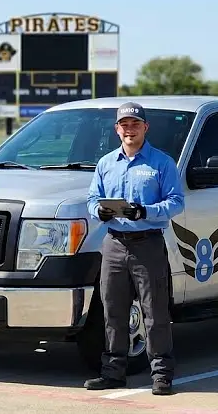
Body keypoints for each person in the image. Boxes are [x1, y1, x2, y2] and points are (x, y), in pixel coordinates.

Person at [83, 101, 185, 396]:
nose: (130, 130)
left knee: (155, 313)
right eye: (124, 125)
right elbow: (92, 199)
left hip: (147, 245)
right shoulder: (106, 164)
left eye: (135, 124)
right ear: (117, 129)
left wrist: (145, 211)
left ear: (145, 127)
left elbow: (176, 202)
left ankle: (162, 375)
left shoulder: (162, 163)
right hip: (113, 244)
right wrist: (98, 211)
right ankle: (113, 373)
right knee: (113, 311)